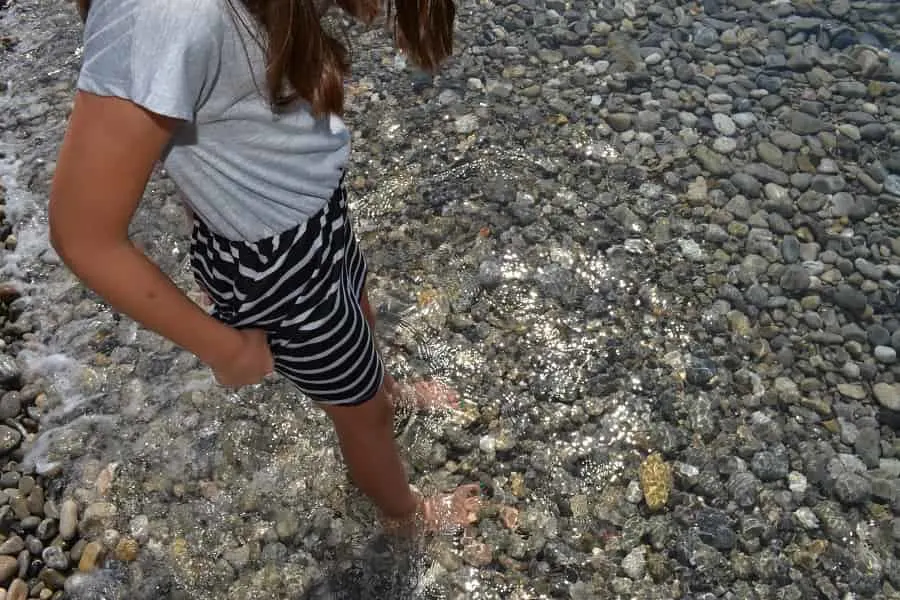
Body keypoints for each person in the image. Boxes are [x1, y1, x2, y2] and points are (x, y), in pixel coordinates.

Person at [49, 0, 480, 534]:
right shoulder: (166, 16)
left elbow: (209, 117)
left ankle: (378, 387)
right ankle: (405, 516)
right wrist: (225, 348)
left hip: (310, 216)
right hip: (276, 260)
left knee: (358, 317)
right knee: (362, 417)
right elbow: (83, 236)